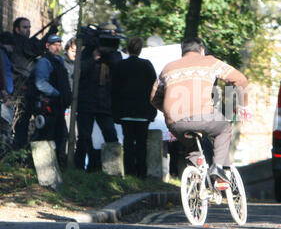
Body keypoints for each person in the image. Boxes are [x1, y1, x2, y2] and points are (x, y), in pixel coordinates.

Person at [150, 37, 251, 184]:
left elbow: (153, 98)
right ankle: (218, 167)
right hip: (204, 116)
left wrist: (168, 112)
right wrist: (243, 106)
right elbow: (241, 80)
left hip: (175, 123)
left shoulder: (168, 68)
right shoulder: (210, 62)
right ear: (202, 50)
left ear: (182, 52)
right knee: (224, 128)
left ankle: (197, 184)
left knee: (192, 146)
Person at [74, 23, 122, 171]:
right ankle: (79, 168)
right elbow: (78, 72)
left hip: (104, 103)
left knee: (111, 135)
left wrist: (106, 54)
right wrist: (94, 58)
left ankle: (114, 169)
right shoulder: (88, 52)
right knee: (84, 136)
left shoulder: (115, 55)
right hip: (86, 102)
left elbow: (118, 67)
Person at [10, 17, 60, 150]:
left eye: (29, 27)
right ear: (17, 29)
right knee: (20, 124)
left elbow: (38, 46)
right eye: (25, 27)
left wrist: (52, 29)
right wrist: (52, 29)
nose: (28, 30)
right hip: (19, 91)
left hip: (27, 90)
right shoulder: (17, 43)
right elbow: (37, 47)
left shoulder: (25, 43)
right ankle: (16, 152)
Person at [112, 37, 157, 178]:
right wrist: (152, 110)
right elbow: (154, 87)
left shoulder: (120, 65)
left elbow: (114, 90)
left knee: (128, 143)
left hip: (125, 111)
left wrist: (116, 112)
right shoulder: (146, 65)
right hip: (143, 112)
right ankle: (142, 172)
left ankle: (130, 171)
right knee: (142, 144)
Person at [27, 34, 72, 167]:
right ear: (47, 46)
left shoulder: (59, 61)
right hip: (48, 105)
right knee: (46, 135)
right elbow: (41, 84)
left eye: (59, 45)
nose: (58, 48)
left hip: (58, 106)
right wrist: (58, 94)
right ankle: (41, 166)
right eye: (55, 45)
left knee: (60, 135)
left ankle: (58, 164)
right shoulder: (44, 62)